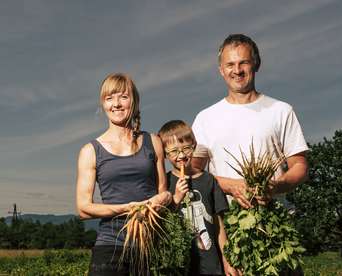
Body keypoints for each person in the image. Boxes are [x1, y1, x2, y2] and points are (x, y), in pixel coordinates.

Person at [192, 33, 309, 210]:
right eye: (230, 64)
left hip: (276, 217)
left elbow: (300, 166)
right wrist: (231, 185)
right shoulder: (205, 118)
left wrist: (275, 186)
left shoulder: (281, 110)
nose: (237, 70)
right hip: (226, 220)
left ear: (256, 64)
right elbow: (194, 171)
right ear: (221, 70)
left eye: (243, 63)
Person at [76, 73, 171, 275]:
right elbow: (84, 209)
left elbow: (163, 191)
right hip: (110, 247)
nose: (116, 104)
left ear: (134, 102)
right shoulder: (90, 151)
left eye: (123, 97)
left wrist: (160, 200)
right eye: (109, 98)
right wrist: (126, 208)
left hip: (149, 246)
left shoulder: (153, 141)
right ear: (103, 104)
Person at [158, 120, 239, 276]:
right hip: (180, 264)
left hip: (210, 263)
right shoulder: (164, 183)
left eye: (186, 148)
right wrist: (176, 197)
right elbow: (163, 221)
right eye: (173, 151)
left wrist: (227, 260)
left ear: (194, 146)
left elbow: (218, 225)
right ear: (165, 154)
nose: (181, 155)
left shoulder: (208, 180)